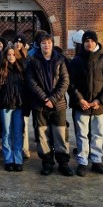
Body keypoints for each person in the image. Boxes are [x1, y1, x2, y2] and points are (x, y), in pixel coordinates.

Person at [69, 31, 103, 177]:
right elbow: (70, 83)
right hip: (81, 105)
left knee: (97, 134)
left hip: (98, 106)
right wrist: (79, 99)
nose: (89, 43)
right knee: (82, 134)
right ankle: (82, 161)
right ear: (82, 43)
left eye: (91, 41)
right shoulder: (76, 61)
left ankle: (96, 160)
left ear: (96, 42)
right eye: (86, 41)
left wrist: (100, 100)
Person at [25, 33, 72, 176]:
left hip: (58, 104)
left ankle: (63, 162)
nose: (47, 45)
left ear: (52, 44)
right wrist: (45, 98)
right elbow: (31, 81)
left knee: (60, 134)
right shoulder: (33, 60)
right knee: (43, 134)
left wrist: (53, 99)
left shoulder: (60, 60)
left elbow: (65, 81)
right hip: (40, 104)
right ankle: (47, 162)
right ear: (40, 44)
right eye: (44, 43)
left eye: (49, 43)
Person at [0, 46, 27, 172]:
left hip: (18, 105)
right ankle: (8, 159)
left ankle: (18, 159)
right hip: (6, 106)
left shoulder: (21, 69)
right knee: (7, 133)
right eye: (8, 55)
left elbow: (26, 88)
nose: (11, 57)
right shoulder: (1, 70)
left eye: (13, 54)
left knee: (18, 133)